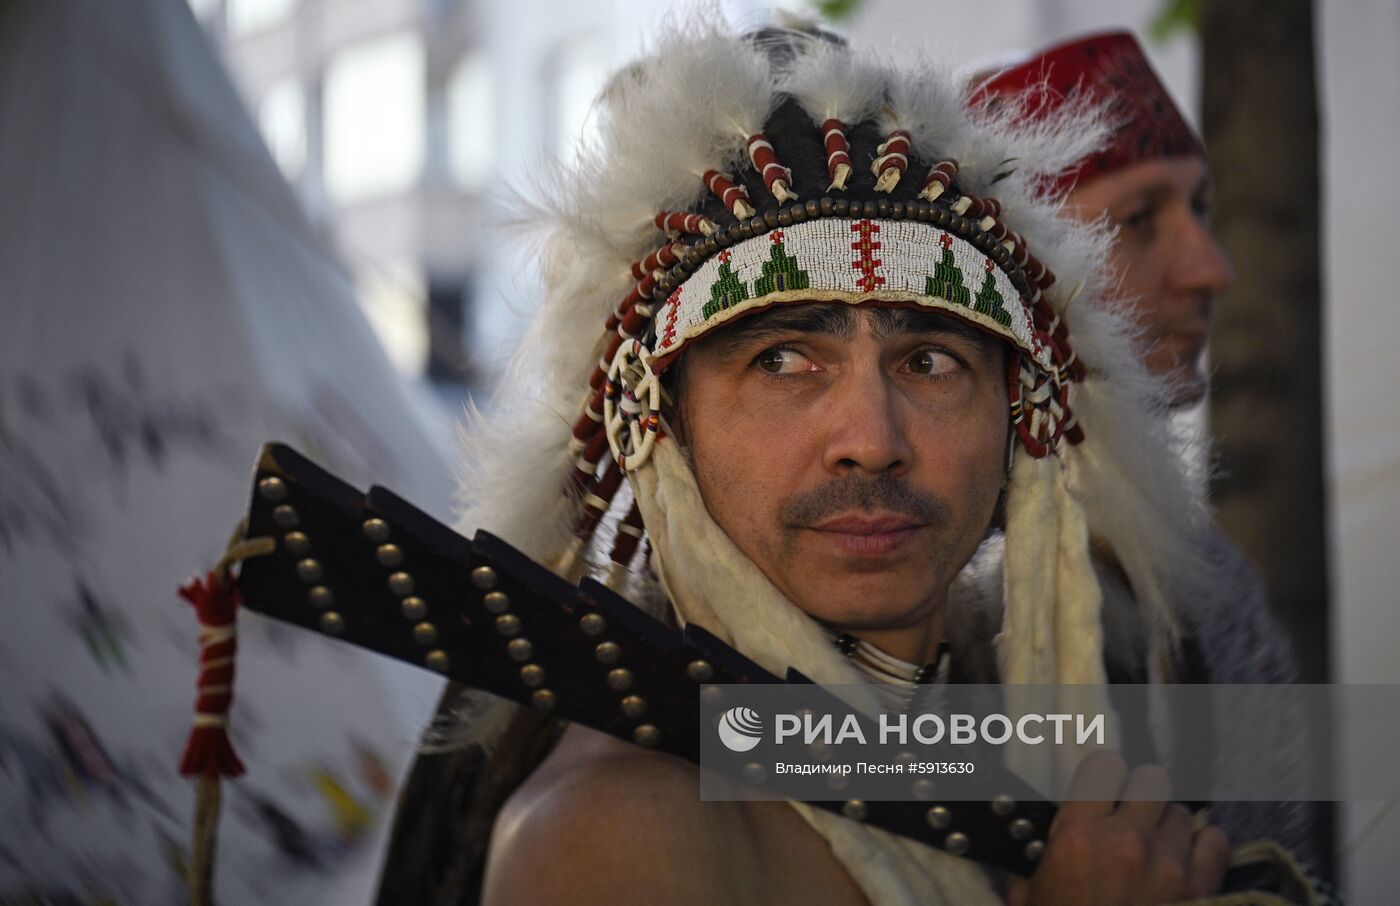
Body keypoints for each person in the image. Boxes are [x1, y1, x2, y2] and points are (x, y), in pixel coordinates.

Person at [969, 31, 1318, 867]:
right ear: (1026, 266)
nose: (1209, 268)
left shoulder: (1213, 586)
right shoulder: (906, 581)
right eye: (1139, 220)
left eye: (1197, 209)